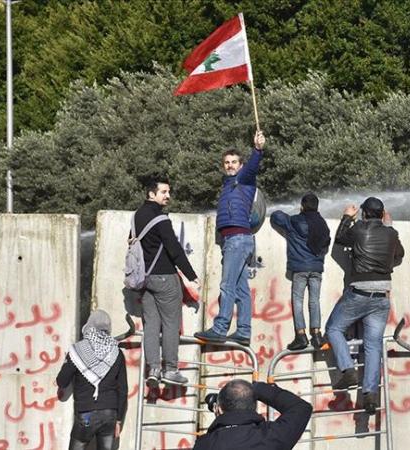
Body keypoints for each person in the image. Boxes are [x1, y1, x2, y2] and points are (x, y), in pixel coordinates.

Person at [325, 197, 404, 414]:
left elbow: (340, 239)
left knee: (333, 329)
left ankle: (347, 369)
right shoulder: (391, 233)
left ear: (364, 214)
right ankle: (370, 396)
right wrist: (389, 228)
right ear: (381, 214)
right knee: (373, 345)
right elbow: (399, 255)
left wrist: (346, 217)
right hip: (381, 296)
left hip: (358, 292)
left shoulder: (359, 228)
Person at [196, 130, 266, 347]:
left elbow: (253, 166)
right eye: (226, 162)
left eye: (234, 162)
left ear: (241, 165)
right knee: (242, 289)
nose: (230, 165)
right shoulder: (227, 184)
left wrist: (258, 149)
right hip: (237, 240)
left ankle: (220, 328)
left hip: (237, 239)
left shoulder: (244, 180)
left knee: (227, 286)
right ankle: (243, 331)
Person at [133, 178, 200, 386]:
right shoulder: (161, 219)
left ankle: (153, 369)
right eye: (163, 192)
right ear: (151, 194)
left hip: (144, 279)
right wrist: (191, 275)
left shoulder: (136, 217)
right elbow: (174, 249)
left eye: (168, 192)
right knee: (171, 324)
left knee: (151, 325)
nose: (168, 196)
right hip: (165, 277)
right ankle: (170, 369)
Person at [56, 310, 128, 450]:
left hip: (86, 413)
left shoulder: (78, 351)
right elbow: (123, 390)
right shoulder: (116, 353)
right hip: (110, 415)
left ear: (89, 325)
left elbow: (62, 381)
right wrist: (118, 420)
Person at [270, 192, 331, 351]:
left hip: (300, 268)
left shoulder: (294, 221)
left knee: (298, 300)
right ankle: (317, 335)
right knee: (314, 301)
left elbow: (276, 216)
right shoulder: (322, 224)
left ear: (302, 206)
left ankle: (301, 335)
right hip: (316, 268)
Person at [193, 379, 312, 450]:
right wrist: (259, 389)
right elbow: (301, 408)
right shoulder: (270, 436)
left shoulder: (203, 445)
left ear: (218, 409)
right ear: (253, 407)